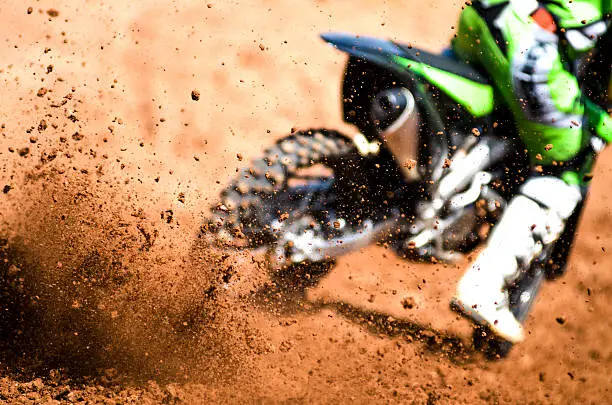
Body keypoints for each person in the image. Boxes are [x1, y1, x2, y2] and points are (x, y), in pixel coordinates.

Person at [448, 0, 612, 343]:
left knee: (451, 107)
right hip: (533, 42)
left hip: (485, 15)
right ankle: (486, 285)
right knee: (565, 161)